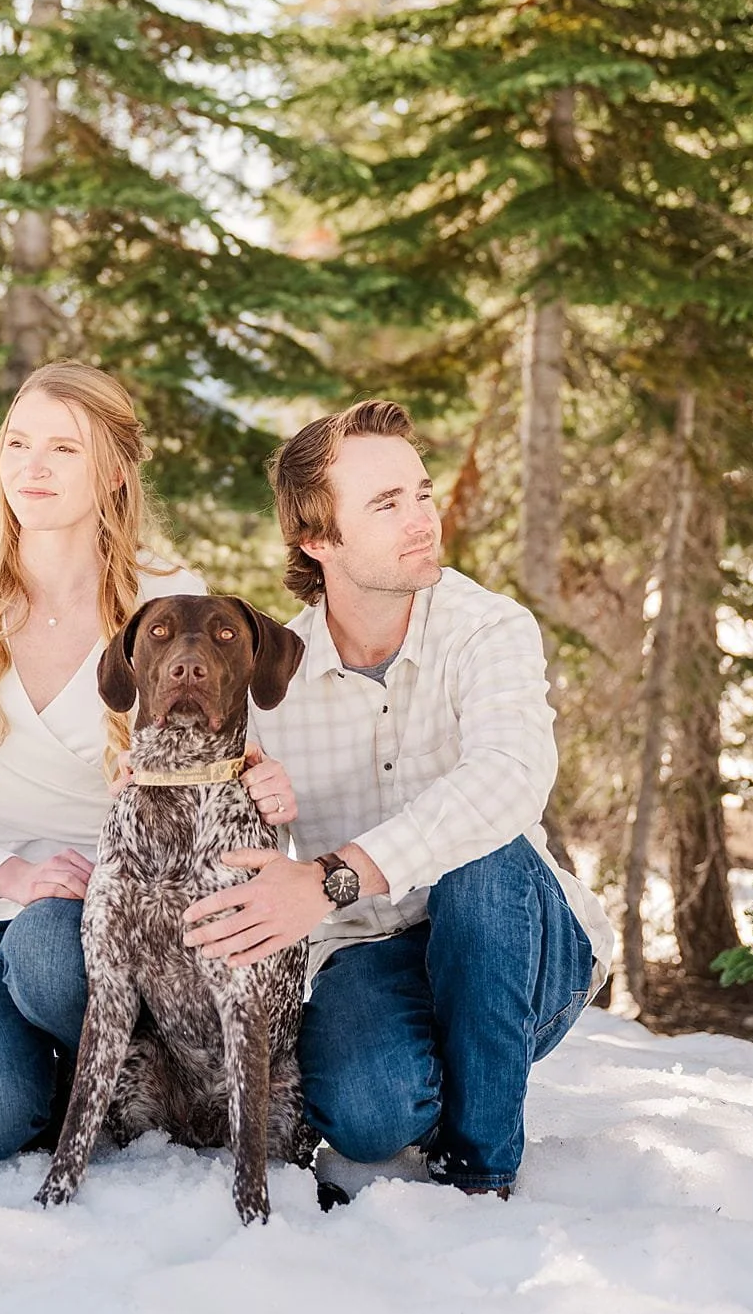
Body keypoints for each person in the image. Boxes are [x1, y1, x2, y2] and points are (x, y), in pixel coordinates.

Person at [176, 399, 611, 1200]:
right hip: (374, 946)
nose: (421, 519)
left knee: (481, 857)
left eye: (421, 492)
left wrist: (334, 875)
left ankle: (482, 1165)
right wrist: (236, 795)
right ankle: (442, 1081)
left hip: (519, 940)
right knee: (370, 1114)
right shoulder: (275, 686)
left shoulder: (488, 628)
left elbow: (509, 777)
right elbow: (232, 840)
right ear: (317, 539)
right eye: (386, 504)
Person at [0, 362, 294, 1161]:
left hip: (108, 926)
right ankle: (57, 1073)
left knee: (45, 947)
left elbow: (221, 745)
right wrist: (12, 874)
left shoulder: (167, 593)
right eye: (18, 443)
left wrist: (261, 771)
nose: (31, 467)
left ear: (113, 473)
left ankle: (103, 1066)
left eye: (62, 449)